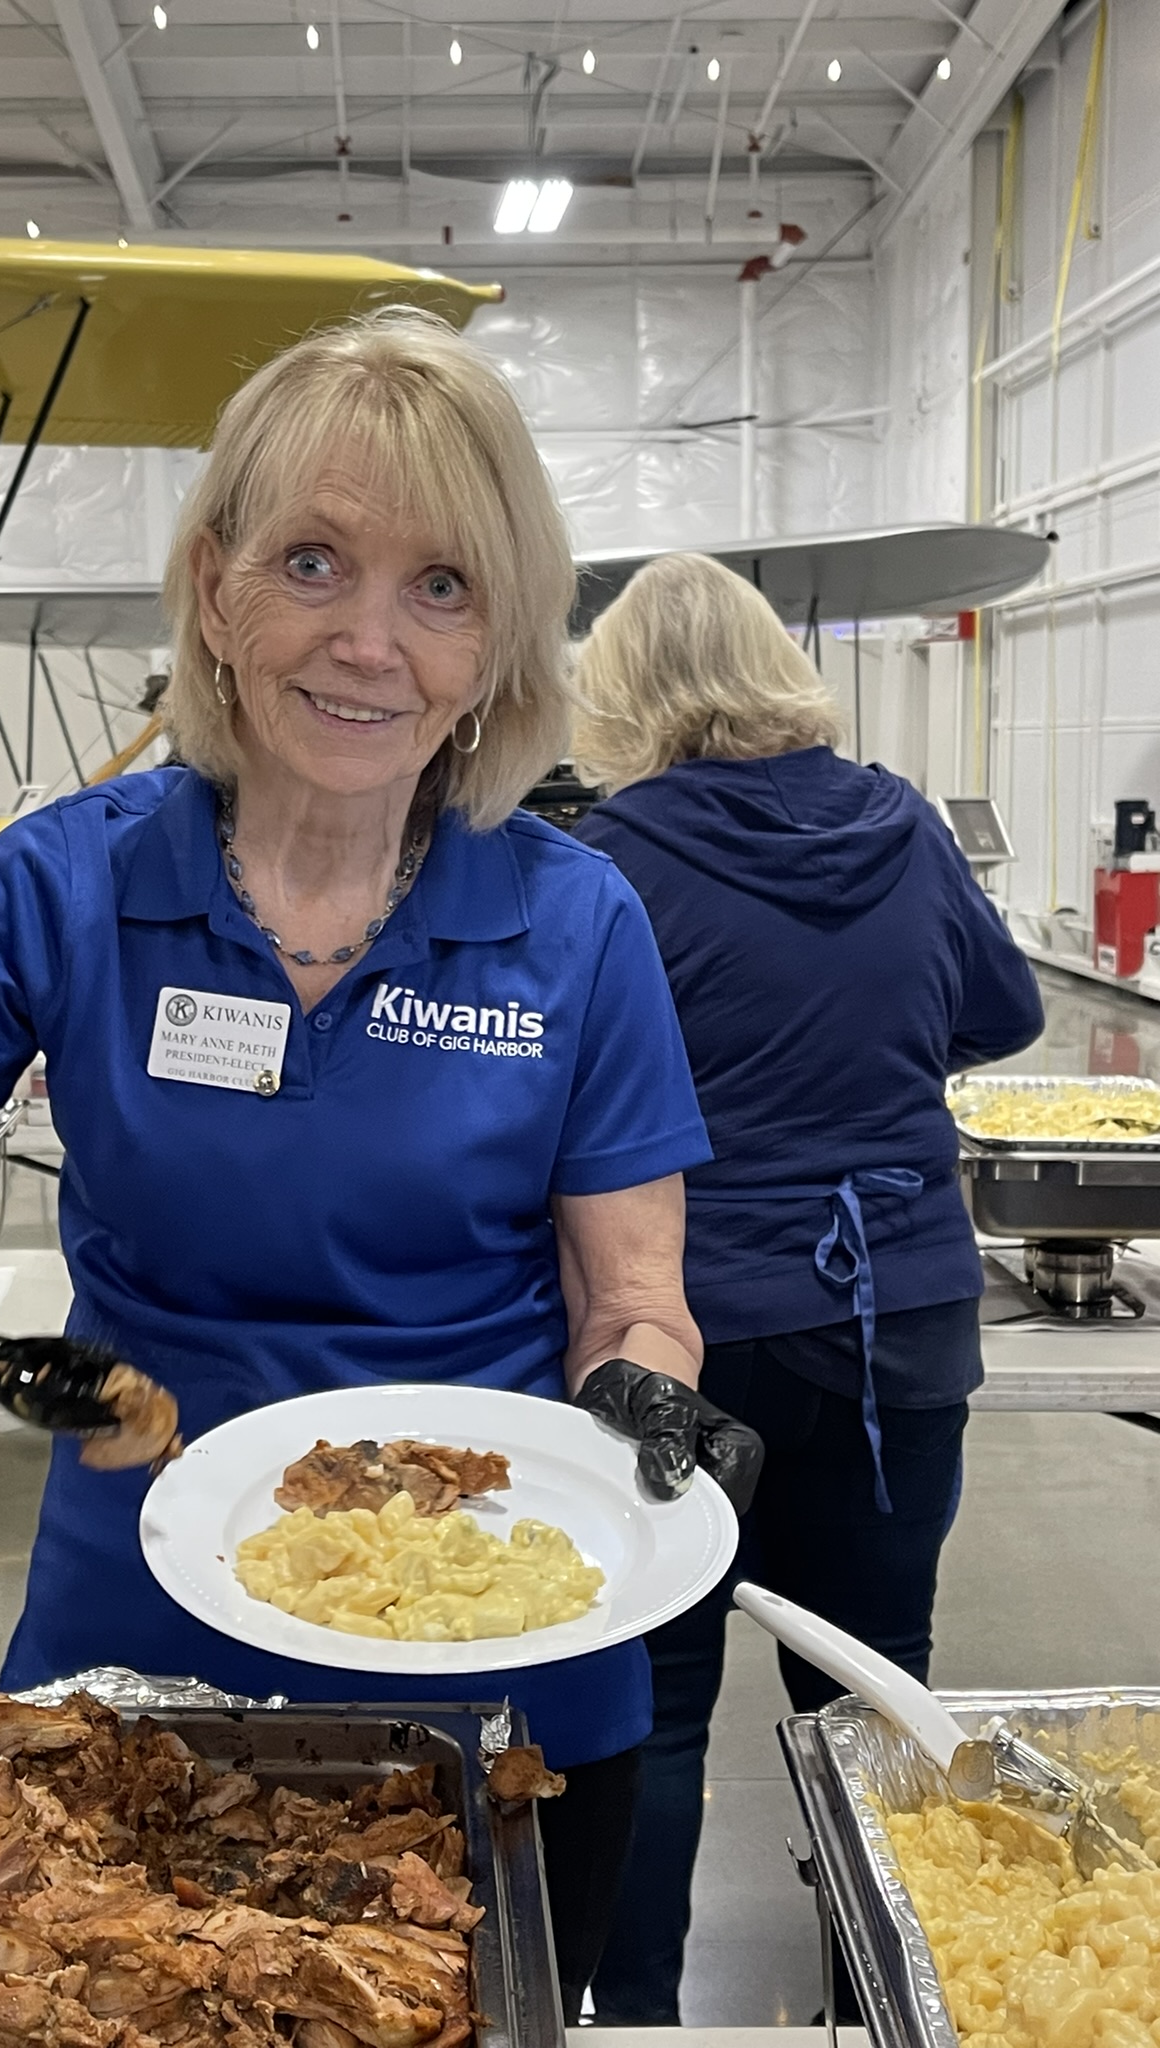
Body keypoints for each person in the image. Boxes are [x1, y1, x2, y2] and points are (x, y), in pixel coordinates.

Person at [0, 313, 762, 2020]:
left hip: (501, 1681)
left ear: (498, 643)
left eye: (443, 587)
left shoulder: (579, 922)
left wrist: (647, 1407)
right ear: (214, 588)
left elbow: (635, 1304)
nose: (368, 642)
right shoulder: (64, 886)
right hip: (138, 1678)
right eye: (313, 562)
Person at [570, 551, 1044, 2025]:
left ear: (622, 691)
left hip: (685, 1332)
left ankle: (637, 2016)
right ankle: (876, 2005)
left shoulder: (612, 859)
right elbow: (1007, 1011)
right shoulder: (902, 820)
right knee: (877, 1691)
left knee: (653, 1706)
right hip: (895, 1317)